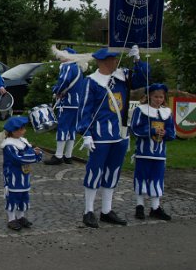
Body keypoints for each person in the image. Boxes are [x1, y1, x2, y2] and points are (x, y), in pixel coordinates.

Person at [77, 46, 149, 228]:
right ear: (103, 61)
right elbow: (84, 109)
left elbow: (144, 79)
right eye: (112, 59)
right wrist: (86, 134)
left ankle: (106, 210)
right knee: (94, 172)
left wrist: (137, 60)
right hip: (100, 136)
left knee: (113, 172)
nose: (116, 61)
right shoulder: (91, 82)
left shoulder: (122, 77)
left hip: (120, 135)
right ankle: (88, 211)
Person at [130, 83, 176, 221]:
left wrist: (165, 133)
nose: (158, 99)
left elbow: (172, 132)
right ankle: (139, 206)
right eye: (156, 96)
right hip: (143, 153)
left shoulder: (167, 113)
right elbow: (134, 129)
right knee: (141, 177)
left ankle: (155, 207)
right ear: (149, 96)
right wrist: (151, 130)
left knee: (157, 179)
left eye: (161, 97)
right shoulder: (140, 110)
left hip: (159, 155)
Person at [45, 47, 89, 165]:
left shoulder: (68, 66)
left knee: (63, 127)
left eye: (62, 55)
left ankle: (58, 155)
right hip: (77, 103)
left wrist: (56, 90)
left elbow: (64, 81)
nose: (60, 57)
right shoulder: (78, 68)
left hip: (67, 103)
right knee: (72, 129)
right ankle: (68, 156)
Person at [1, 116, 43, 230]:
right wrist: (33, 155)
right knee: (13, 197)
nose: (24, 130)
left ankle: (20, 217)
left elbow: (29, 153)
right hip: (13, 176)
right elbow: (19, 159)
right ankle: (11, 219)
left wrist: (36, 153)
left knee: (23, 197)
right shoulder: (9, 146)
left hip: (24, 176)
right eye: (21, 129)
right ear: (14, 131)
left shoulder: (22, 141)